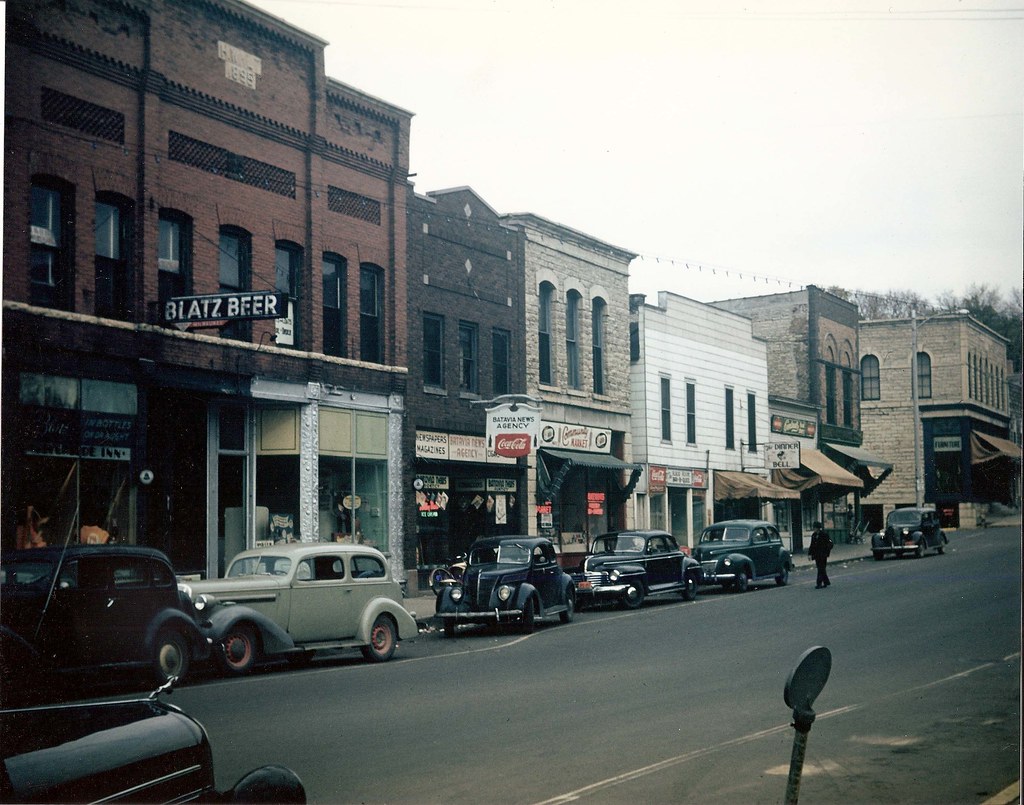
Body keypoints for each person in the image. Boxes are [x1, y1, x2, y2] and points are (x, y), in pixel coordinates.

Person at [808, 521, 833, 589]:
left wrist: (826, 550)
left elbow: (830, 543)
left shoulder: (824, 535)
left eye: (815, 528)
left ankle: (819, 583)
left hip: (823, 554)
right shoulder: (814, 535)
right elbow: (812, 545)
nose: (814, 529)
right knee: (821, 568)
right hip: (816, 555)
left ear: (818, 528)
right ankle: (826, 582)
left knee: (820, 568)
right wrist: (809, 554)